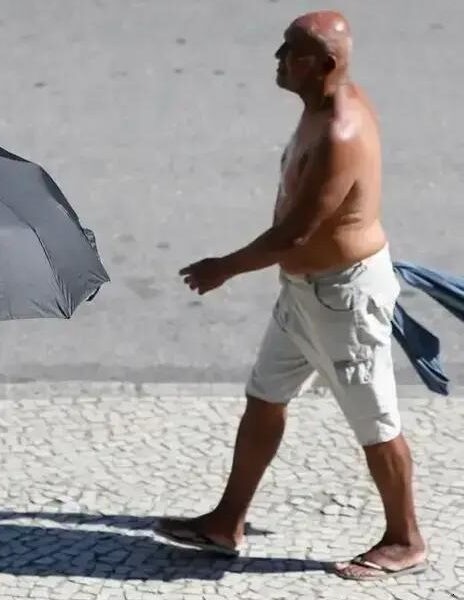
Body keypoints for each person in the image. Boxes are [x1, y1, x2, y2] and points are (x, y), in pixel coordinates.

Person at [158, 11, 427, 580]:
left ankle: (405, 540)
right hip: (306, 292)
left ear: (325, 66)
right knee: (265, 396)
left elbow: (295, 233)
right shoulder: (320, 107)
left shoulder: (340, 133)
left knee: (376, 423)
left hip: (343, 300)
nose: (278, 61)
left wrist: (222, 268)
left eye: (290, 52)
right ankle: (225, 522)